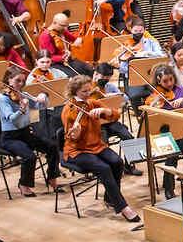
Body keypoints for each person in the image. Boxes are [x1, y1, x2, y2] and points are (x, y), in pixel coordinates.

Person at [61, 83, 143, 223]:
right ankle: (122, 207)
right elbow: (70, 138)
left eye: (88, 90)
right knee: (103, 168)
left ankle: (110, 198)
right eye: (84, 91)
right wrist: (76, 133)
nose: (88, 94)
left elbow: (116, 115)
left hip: (96, 145)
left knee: (117, 162)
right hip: (77, 150)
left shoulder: (92, 103)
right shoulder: (69, 110)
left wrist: (107, 112)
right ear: (75, 91)